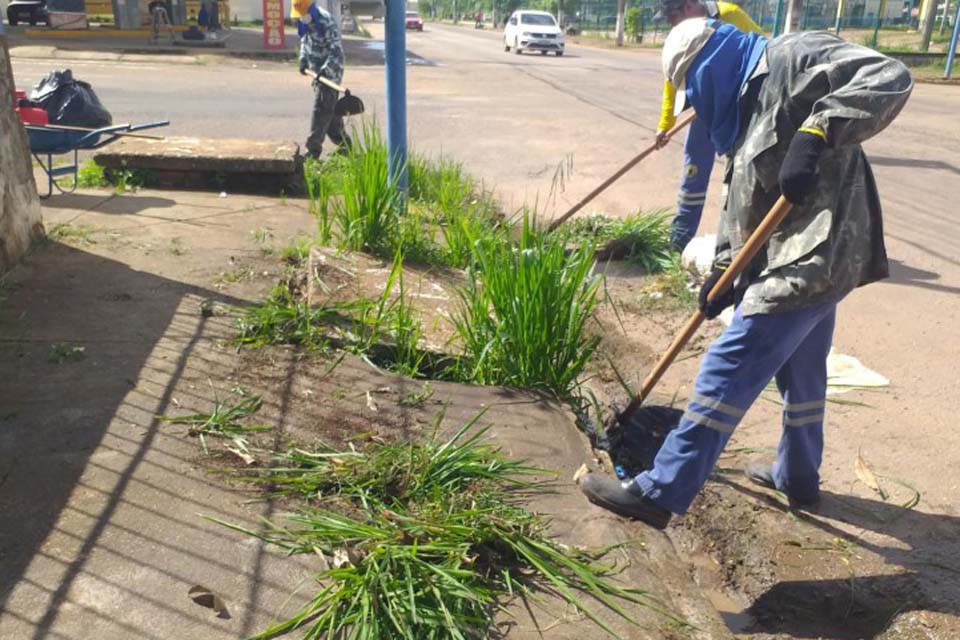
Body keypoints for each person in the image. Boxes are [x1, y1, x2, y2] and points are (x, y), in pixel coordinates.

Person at [580, 18, 912, 529]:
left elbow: (888, 74)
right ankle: (797, 476)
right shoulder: (741, 112)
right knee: (803, 375)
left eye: (693, 82)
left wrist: (819, 128)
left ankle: (659, 489)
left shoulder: (792, 56)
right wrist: (720, 275)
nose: (694, 97)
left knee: (728, 363)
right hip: (797, 253)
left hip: (820, 248)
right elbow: (740, 206)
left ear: (711, 60)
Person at [653, 0, 761, 251]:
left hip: (737, 107)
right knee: (694, 171)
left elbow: (761, 54)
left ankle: (738, 249)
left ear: (689, 6)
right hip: (703, 105)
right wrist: (665, 125)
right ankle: (680, 238)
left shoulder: (731, 15)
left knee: (741, 175)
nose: (671, 23)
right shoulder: (681, 31)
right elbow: (671, 81)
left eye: (672, 16)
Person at [293, 0, 352, 159]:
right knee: (329, 113)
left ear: (310, 10)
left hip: (331, 74)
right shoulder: (304, 19)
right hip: (316, 72)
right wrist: (303, 60)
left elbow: (336, 50)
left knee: (320, 110)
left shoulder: (326, 21)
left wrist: (326, 71)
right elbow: (305, 41)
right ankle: (345, 146)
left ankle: (313, 151)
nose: (300, 18)